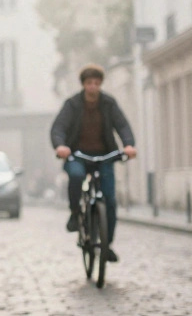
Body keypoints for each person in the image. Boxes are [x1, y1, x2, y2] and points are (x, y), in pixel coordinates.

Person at [50, 64, 137, 262]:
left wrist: (129, 145)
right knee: (76, 175)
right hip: (77, 155)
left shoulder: (108, 103)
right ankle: (75, 214)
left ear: (100, 84)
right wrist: (60, 146)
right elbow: (59, 128)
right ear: (83, 84)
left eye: (97, 83)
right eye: (89, 83)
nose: (93, 87)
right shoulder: (72, 104)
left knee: (110, 200)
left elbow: (122, 125)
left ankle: (107, 244)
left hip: (104, 156)